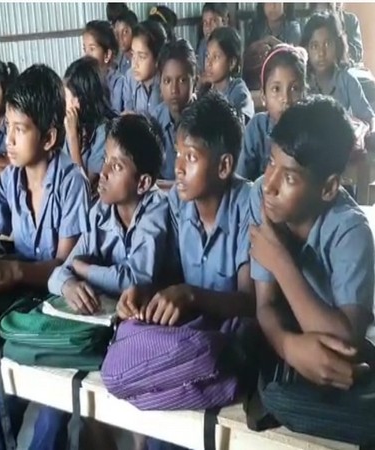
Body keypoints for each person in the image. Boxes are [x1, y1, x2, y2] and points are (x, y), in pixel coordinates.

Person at [0, 64, 91, 450]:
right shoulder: (12, 178)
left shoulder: (71, 183)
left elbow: (64, 265)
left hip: (63, 299)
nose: (8, 140)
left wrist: (14, 270)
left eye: (20, 129)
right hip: (22, 293)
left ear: (49, 137)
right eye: (8, 127)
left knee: (51, 413)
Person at [123, 91, 255, 450]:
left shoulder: (249, 206)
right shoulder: (179, 207)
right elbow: (164, 274)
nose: (177, 167)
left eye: (191, 157)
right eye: (178, 153)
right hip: (194, 344)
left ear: (224, 167)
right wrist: (143, 293)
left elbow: (250, 303)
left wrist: (191, 295)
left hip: (238, 353)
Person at [248, 95, 373, 395]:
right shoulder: (262, 197)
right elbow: (264, 305)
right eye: (270, 163)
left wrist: (280, 261)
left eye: (289, 176)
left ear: (328, 188)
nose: (270, 184)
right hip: (294, 351)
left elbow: (346, 344)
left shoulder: (351, 231)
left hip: (336, 365)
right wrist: (287, 346)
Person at [50, 113, 170, 308]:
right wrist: (69, 285)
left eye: (116, 166)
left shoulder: (157, 209)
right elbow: (57, 275)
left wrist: (84, 269)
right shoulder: (100, 211)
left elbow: (135, 282)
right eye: (105, 159)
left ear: (143, 183)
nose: (103, 172)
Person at [236, 44, 307, 181]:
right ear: (263, 97)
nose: (285, 98)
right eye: (276, 89)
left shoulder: (310, 132)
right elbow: (241, 181)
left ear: (304, 94)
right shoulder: (257, 128)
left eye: (294, 89)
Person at [301, 12, 374, 130]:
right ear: (306, 49)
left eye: (327, 44)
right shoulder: (302, 82)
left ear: (338, 46)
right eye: (314, 46)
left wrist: (359, 129)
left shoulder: (348, 80)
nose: (321, 53)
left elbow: (368, 120)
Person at [63, 56, 117, 186]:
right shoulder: (74, 125)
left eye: (66, 97)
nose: (63, 103)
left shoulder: (104, 131)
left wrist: (73, 139)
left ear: (79, 100)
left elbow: (85, 186)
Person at [151, 39, 197, 180]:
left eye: (182, 80)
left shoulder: (206, 120)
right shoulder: (154, 120)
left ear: (195, 82)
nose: (174, 90)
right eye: (167, 81)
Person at [205, 26, 255, 123]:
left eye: (216, 57)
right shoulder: (208, 91)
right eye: (207, 56)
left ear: (232, 63)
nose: (209, 63)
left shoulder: (239, 91)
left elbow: (240, 124)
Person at [123, 20, 167, 114]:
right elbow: (128, 112)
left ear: (157, 58)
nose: (134, 63)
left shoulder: (166, 82)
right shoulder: (130, 77)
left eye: (141, 57)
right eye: (133, 54)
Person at [83, 20, 125, 113]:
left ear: (107, 54)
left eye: (92, 49)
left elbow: (115, 115)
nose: (86, 55)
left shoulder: (118, 83)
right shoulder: (86, 80)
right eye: (85, 49)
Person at [196, 3, 229, 76]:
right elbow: (200, 71)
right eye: (205, 22)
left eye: (213, 21)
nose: (208, 27)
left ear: (224, 22)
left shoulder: (231, 45)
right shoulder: (203, 45)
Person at [114, 10, 139, 76]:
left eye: (125, 32)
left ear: (134, 31)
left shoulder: (140, 60)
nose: (120, 37)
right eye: (117, 33)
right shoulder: (118, 60)